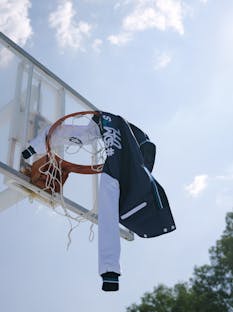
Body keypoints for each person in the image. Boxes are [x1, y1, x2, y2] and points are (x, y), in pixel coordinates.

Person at [22, 111, 176, 292]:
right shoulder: (123, 170)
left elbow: (108, 217)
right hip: (117, 138)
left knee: (87, 137)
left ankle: (36, 145)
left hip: (112, 128)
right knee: (108, 206)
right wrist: (109, 271)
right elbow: (107, 220)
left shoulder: (122, 166)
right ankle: (36, 145)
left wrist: (110, 271)